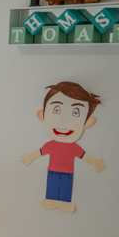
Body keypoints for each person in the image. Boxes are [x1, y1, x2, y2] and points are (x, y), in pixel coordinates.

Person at [21, 81, 106, 212]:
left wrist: (95, 162)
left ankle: (65, 203)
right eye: (57, 110)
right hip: (52, 171)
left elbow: (83, 155)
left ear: (87, 122)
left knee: (65, 186)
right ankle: (50, 199)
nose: (64, 120)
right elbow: (40, 152)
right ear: (43, 115)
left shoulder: (73, 147)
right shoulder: (51, 145)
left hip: (68, 173)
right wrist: (29, 158)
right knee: (53, 185)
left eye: (76, 112)